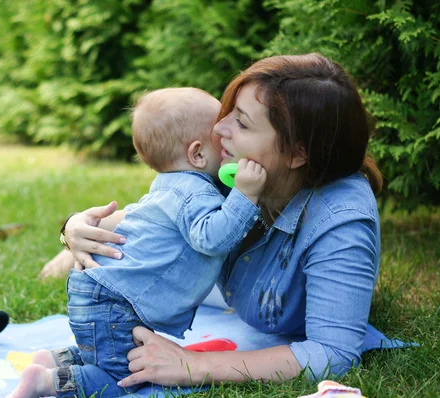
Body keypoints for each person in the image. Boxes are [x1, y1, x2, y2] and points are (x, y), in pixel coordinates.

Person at [41, 53, 384, 389]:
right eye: (230, 112)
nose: (219, 128)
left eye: (242, 122)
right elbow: (162, 213)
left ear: (297, 153)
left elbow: (334, 352)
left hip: (233, 294)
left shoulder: (342, 222)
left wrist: (194, 364)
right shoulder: (234, 169)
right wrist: (74, 230)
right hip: (209, 284)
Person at [9, 87, 267, 398]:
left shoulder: (169, 183)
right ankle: (44, 383)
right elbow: (212, 238)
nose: (226, 136)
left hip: (103, 291)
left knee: (111, 352)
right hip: (117, 300)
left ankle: (51, 360)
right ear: (197, 154)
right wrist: (245, 195)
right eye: (218, 134)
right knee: (124, 376)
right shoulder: (194, 193)